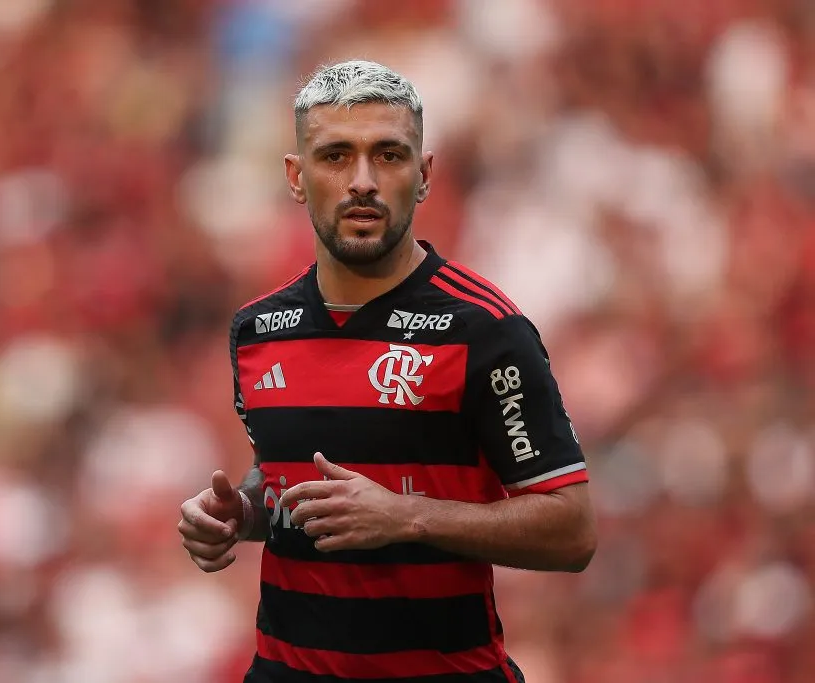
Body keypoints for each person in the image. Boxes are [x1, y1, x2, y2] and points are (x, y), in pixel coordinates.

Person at [178, 59, 597, 683]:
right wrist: (240, 513)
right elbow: (287, 481)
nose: (363, 181)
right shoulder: (257, 331)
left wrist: (407, 517)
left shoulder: (486, 330)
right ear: (297, 177)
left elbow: (572, 530)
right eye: (336, 156)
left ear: (424, 175)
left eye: (390, 155)